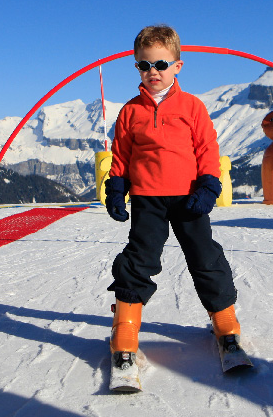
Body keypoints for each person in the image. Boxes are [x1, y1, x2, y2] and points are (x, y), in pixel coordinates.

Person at [104, 24, 240, 368]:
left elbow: (207, 148)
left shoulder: (192, 107)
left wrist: (209, 184)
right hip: (148, 198)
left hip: (188, 196)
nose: (153, 72)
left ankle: (225, 321)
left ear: (177, 66)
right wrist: (116, 187)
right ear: (137, 66)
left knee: (203, 254)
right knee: (139, 258)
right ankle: (125, 327)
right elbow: (120, 154)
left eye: (161, 65)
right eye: (144, 65)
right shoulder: (130, 111)